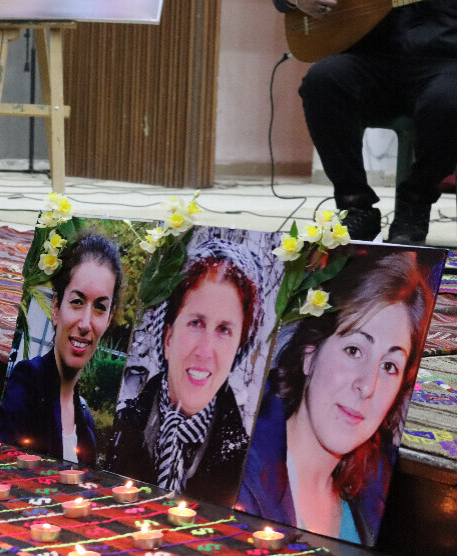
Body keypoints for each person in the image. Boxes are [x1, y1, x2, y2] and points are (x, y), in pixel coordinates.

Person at [238, 250, 430, 546]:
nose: (367, 386)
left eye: (389, 366)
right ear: (310, 354)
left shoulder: (377, 496)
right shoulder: (240, 481)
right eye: (354, 350)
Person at [272, 0, 457, 245]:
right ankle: (356, 206)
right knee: (322, 80)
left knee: (448, 100)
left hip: (446, 61)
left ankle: (415, 204)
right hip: (371, 57)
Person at [108, 239, 261, 507]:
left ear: (238, 349)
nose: (205, 350)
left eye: (224, 330)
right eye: (195, 323)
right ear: (168, 338)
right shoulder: (118, 430)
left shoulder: (247, 469)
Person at [0, 234, 123, 465]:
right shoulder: (27, 384)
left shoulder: (85, 422)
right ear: (56, 308)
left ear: (109, 319)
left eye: (100, 307)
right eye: (77, 302)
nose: (85, 324)